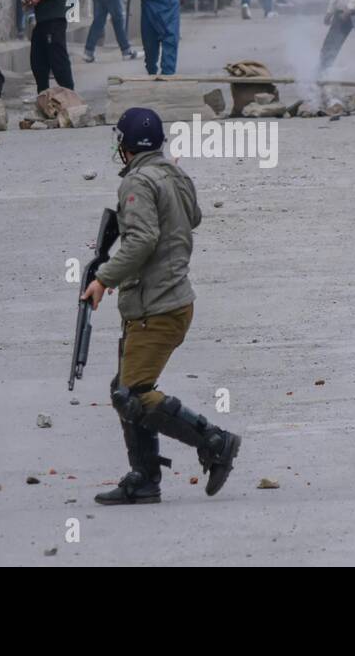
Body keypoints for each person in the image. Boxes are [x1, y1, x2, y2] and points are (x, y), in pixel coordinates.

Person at [83, 107, 241, 506]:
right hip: (166, 303)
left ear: (127, 145)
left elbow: (141, 241)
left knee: (132, 394)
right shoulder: (174, 174)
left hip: (157, 308)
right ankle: (145, 478)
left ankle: (214, 441)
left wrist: (104, 279)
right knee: (126, 387)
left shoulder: (137, 182)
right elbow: (194, 217)